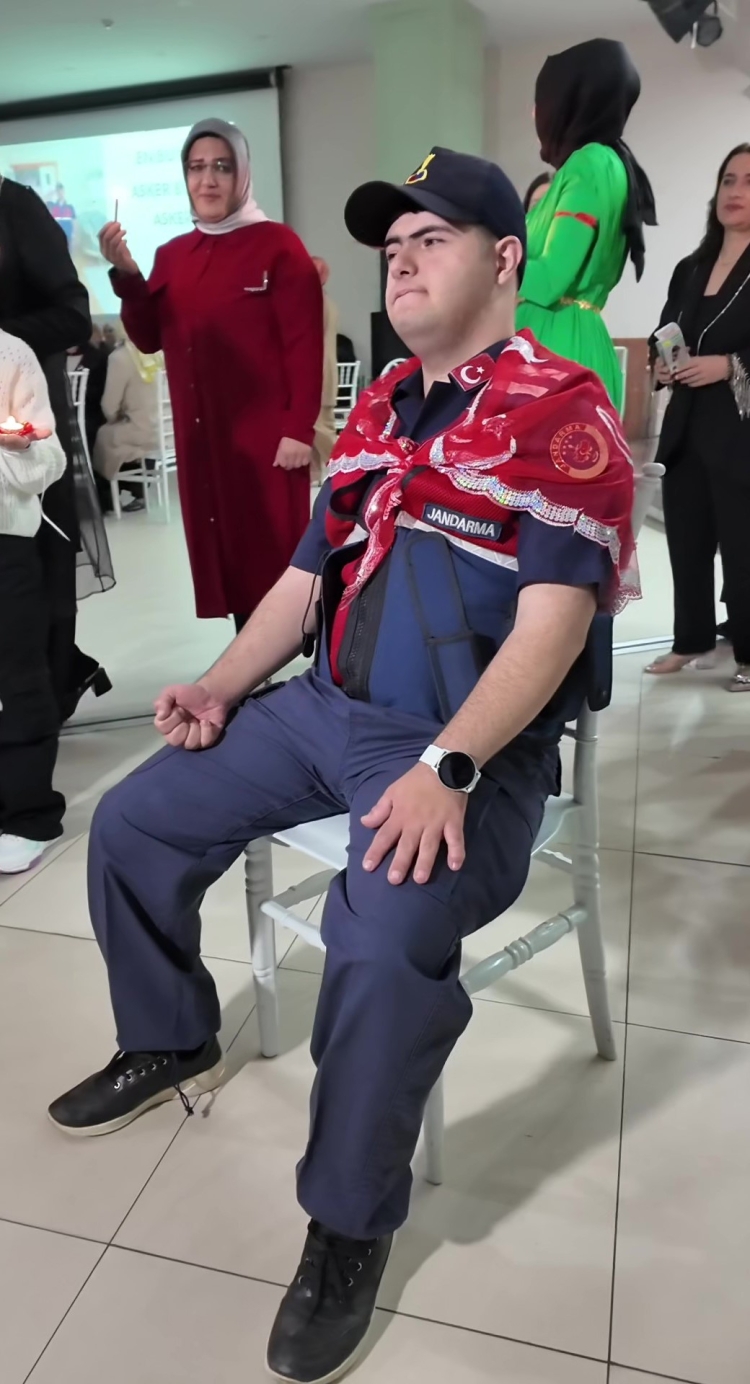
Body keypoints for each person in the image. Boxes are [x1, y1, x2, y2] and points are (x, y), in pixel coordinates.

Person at [49, 147, 635, 1384]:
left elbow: (554, 627)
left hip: (461, 749)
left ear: (505, 259)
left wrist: (452, 766)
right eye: (392, 246)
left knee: (384, 931)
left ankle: (348, 1223)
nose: (402, 262)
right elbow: (302, 581)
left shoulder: (561, 412)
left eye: (432, 238)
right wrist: (221, 684)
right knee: (134, 823)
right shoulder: (381, 411)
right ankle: (170, 1036)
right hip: (324, 709)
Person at [98, 117, 324, 633]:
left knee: (276, 558)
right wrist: (129, 276)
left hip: (266, 440)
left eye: (222, 166)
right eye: (196, 168)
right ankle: (248, 666)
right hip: (204, 442)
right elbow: (150, 337)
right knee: (227, 557)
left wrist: (298, 429)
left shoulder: (278, 246)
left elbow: (304, 344)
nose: (208, 180)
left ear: (242, 172)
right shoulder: (172, 255)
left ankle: (305, 664)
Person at [0, 174, 113, 721]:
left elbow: (73, 314)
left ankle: (45, 694)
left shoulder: (13, 206)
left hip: (16, 429)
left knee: (29, 568)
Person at [646, 144, 750, 690]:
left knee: (743, 546)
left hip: (740, 429)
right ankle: (691, 639)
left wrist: (730, 365)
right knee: (686, 541)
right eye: (728, 180)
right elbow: (664, 331)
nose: (735, 192)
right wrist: (662, 364)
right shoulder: (690, 268)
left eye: (749, 182)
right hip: (686, 426)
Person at [517, 38, 656, 412]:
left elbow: (550, 279)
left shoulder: (589, 164)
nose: (534, 113)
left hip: (555, 350)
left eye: (543, 100)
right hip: (566, 341)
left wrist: (482, 263)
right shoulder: (608, 164)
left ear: (571, 101)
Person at [0, 330, 67, 874]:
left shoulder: (10, 355)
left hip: (5, 543)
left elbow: (49, 459)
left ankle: (29, 814)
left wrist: (14, 446)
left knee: (18, 674)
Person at [93, 333, 161, 511]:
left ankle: (107, 497)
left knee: (102, 435)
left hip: (140, 432)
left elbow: (109, 407)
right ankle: (139, 488)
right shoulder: (159, 353)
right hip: (165, 432)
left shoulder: (120, 358)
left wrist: (115, 416)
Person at [310, 255, 339, 479]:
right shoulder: (324, 300)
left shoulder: (313, 301)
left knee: (317, 426)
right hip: (322, 371)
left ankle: (345, 467)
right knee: (315, 426)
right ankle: (313, 475)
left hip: (315, 373)